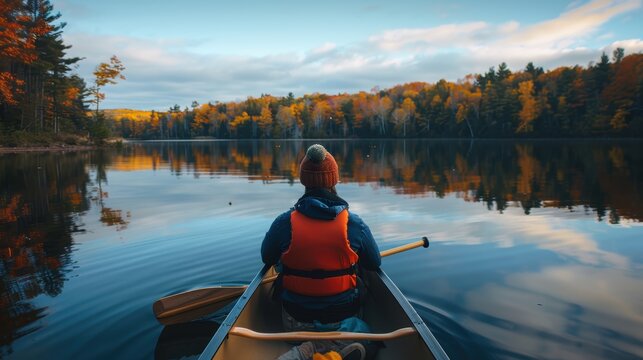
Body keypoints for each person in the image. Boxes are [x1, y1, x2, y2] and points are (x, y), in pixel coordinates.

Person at [261, 144, 381, 360]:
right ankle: (328, 346)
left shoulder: (283, 223)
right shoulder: (354, 224)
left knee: (282, 264)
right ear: (334, 180)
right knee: (361, 271)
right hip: (343, 318)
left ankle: (308, 348)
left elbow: (266, 258)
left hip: (294, 323)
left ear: (304, 181)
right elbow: (374, 263)